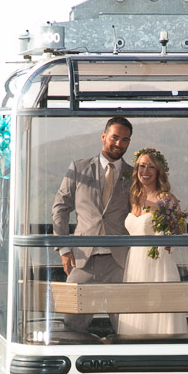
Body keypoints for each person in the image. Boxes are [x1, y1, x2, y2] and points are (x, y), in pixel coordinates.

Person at [52, 117, 134, 334]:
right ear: (103, 136)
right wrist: (64, 249)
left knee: (127, 327)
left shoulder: (133, 175)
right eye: (114, 137)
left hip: (120, 262)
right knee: (72, 323)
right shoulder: (78, 168)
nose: (119, 144)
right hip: (82, 260)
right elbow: (60, 208)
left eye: (125, 140)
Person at [117, 148, 188, 336]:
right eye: (142, 166)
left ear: (159, 171)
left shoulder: (166, 199)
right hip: (135, 264)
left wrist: (168, 236)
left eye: (151, 167)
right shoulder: (134, 197)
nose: (145, 171)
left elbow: (179, 230)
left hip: (157, 265)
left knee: (160, 314)